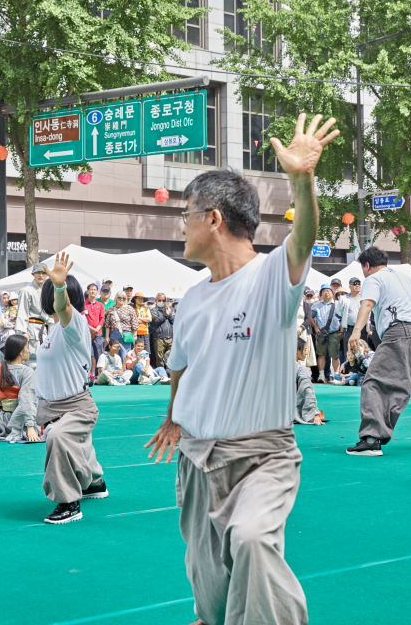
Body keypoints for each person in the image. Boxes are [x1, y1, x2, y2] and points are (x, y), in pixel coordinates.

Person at [146, 117, 337, 625]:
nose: (179, 227)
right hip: (197, 458)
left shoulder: (272, 275)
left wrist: (302, 179)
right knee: (209, 591)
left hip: (261, 456)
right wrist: (172, 417)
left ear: (211, 219)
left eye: (185, 216)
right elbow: (181, 369)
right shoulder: (190, 300)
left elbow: (305, 237)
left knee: (252, 540)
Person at [345, 246, 411, 455]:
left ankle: (372, 438)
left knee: (374, 382)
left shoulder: (373, 279)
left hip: (398, 333)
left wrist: (356, 331)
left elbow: (367, 304)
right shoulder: (404, 277)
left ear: (367, 266)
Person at [34, 252, 107, 525]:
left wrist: (60, 286)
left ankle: (68, 502)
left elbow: (63, 308)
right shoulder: (52, 332)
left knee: (60, 438)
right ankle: (95, 481)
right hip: (53, 407)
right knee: (76, 443)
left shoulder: (73, 322)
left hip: (76, 406)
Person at [16, 263, 51, 349]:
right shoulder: (26, 290)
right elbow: (22, 312)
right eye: (38, 272)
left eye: (43, 273)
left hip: (44, 329)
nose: (41, 275)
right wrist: (23, 332)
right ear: (33, 274)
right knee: (31, 358)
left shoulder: (47, 292)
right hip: (31, 328)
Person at [311, 285, 340, 383]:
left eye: (328, 291)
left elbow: (342, 318)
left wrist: (341, 332)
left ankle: (336, 376)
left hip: (334, 333)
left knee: (335, 356)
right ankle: (322, 376)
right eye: (324, 291)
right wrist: (315, 327)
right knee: (321, 355)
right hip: (321, 334)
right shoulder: (316, 305)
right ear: (320, 294)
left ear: (332, 293)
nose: (326, 293)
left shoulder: (337, 304)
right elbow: (310, 316)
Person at [295, 338, 323, 424]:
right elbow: (308, 391)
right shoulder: (301, 369)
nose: (306, 353)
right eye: (305, 350)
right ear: (297, 350)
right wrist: (314, 413)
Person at [104, 291, 137, 363]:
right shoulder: (112, 309)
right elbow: (107, 324)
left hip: (126, 334)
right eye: (120, 297)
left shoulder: (129, 308)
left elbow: (134, 322)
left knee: (125, 354)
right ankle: (116, 371)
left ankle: (125, 371)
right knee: (114, 355)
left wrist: (135, 335)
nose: (121, 299)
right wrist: (107, 336)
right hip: (114, 334)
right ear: (116, 298)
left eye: (124, 298)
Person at [83, 284, 106, 375]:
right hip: (86, 333)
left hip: (98, 333)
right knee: (87, 354)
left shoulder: (100, 304)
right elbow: (82, 318)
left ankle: (98, 374)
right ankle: (87, 374)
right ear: (87, 291)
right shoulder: (83, 304)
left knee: (99, 354)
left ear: (97, 292)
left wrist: (97, 329)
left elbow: (102, 318)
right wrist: (92, 329)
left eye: (94, 290)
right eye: (91, 289)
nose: (93, 291)